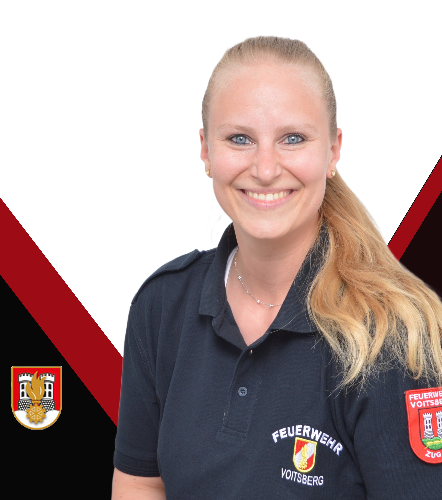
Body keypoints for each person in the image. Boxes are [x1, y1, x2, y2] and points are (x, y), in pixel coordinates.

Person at [111, 36, 442, 499]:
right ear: (205, 150)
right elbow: (141, 483)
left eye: (293, 139)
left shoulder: (392, 334)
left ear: (333, 150)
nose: (265, 169)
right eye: (239, 139)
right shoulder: (162, 305)